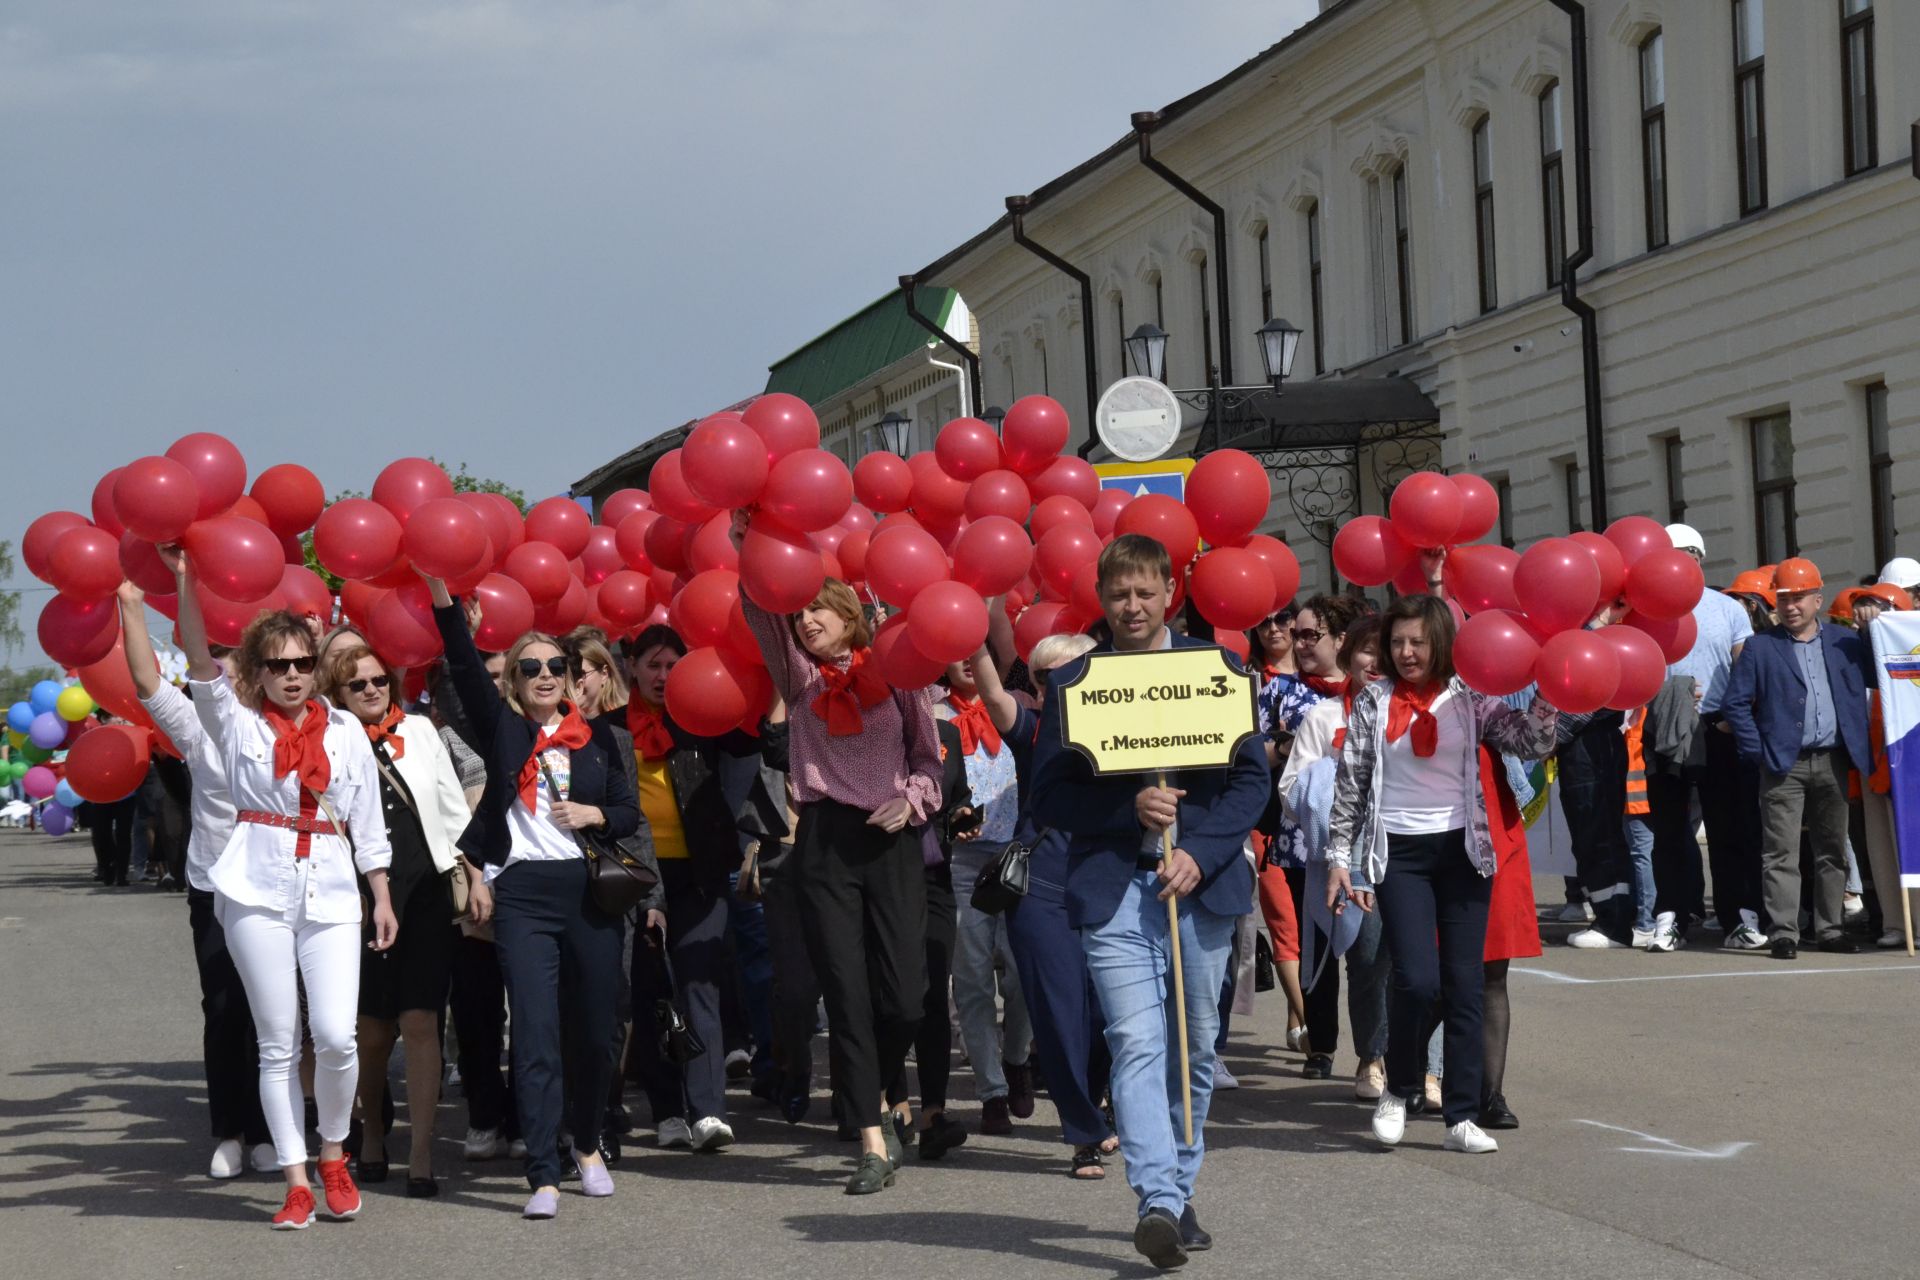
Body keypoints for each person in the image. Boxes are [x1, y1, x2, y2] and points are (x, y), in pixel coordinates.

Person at [1031, 534, 1269, 1269]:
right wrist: (1126, 807)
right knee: (1136, 1042)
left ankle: (1179, 1181)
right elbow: (1050, 794)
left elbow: (1251, 783)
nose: (1132, 606)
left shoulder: (1218, 672)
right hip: (1115, 892)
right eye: (1118, 594)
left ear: (1169, 589)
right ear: (1101, 600)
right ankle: (1157, 1200)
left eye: (1144, 592)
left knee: (1193, 1048)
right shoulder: (1076, 682)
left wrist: (1201, 851)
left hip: (1198, 889)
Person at [170, 546, 397, 1231]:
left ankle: (334, 1153)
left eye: (303, 664)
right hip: (253, 889)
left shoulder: (349, 731)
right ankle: (297, 1179)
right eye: (279, 666)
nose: (293, 676)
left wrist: (381, 894)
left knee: (335, 1035)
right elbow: (197, 660)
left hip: (330, 887)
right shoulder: (234, 725)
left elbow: (367, 819)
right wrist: (185, 583)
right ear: (260, 671)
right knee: (278, 1041)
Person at [426, 573, 643, 1219]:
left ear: (572, 676)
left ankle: (588, 1144)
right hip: (523, 894)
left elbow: (630, 812)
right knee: (537, 1034)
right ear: (514, 683)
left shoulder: (601, 739)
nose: (544, 675)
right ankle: (543, 1169)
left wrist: (595, 816)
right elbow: (464, 665)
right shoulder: (504, 731)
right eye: (529, 668)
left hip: (590, 895)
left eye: (555, 665)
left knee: (597, 1031)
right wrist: (444, 596)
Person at [1325, 594, 1557, 1157]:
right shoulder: (1373, 702)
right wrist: (1339, 858)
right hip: (1400, 856)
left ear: (1441, 644)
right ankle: (1399, 1090)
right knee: (1415, 979)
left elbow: (1531, 741)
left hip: (1465, 852)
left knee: (1465, 985)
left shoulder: (1471, 698)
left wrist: (1552, 689)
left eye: (1418, 642)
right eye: (1398, 642)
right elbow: (1352, 785)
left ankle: (1460, 1115)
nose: (1406, 653)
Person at [740, 576, 941, 1196]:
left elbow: (929, 759)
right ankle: (872, 1140)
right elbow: (763, 611)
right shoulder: (800, 679)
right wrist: (753, 549)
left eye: (816, 609)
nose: (804, 620)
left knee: (907, 996)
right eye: (799, 613)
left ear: (850, 614)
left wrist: (910, 802)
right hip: (825, 842)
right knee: (847, 994)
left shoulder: (899, 674)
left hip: (892, 840)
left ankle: (877, 1091)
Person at [116, 582, 274, 1180]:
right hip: (214, 887)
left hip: (278, 886)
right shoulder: (195, 729)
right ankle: (229, 1133)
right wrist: (131, 604)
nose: (229, 675)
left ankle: (269, 1133)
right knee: (225, 1008)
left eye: (239, 665)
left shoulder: (282, 726)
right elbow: (146, 679)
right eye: (221, 665)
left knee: (275, 1013)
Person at [318, 643, 476, 1196]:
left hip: (426, 887)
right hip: (355, 893)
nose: (370, 689)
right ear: (336, 693)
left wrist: (474, 873)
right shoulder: (326, 738)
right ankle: (374, 1136)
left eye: (379, 679)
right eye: (357, 683)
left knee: (422, 1021)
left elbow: (453, 808)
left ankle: (424, 1150)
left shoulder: (422, 730)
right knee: (372, 1028)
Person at [974, 629, 1118, 1179]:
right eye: (1041, 678)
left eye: (1068, 674)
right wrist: (971, 627)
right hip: (1043, 890)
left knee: (1109, 1014)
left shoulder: (1131, 728)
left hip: (1114, 884)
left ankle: (1100, 1097)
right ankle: (1083, 1132)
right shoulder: (1033, 732)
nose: (1054, 686)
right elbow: (991, 695)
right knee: (1059, 1018)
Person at [619, 624, 757, 1155]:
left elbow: (756, 740)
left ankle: (708, 1111)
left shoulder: (704, 720)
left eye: (673, 665)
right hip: (636, 879)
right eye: (652, 664)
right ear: (631, 667)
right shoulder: (608, 729)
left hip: (699, 873)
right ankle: (668, 1110)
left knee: (700, 982)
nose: (662, 675)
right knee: (651, 991)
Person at [1722, 558, 1874, 959]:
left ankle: (1830, 929)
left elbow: (1881, 674)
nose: (1791, 606)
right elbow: (1735, 704)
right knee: (1780, 852)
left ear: (1818, 600)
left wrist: (1872, 628)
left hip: (1834, 760)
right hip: (1782, 764)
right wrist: (1757, 751)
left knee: (1832, 850)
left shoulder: (1846, 645)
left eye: (1800, 598)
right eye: (1784, 598)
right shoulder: (1760, 647)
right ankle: (1784, 932)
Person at [1277, 615, 1390, 1102]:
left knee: (1391, 961)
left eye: (1386, 653)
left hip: (1401, 854)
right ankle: (1350, 1053)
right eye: (1368, 651)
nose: (1378, 662)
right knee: (1351, 954)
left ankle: (1392, 1059)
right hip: (1340, 858)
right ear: (1349, 656)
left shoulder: (1407, 712)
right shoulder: (1323, 717)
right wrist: (1333, 781)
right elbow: (1289, 788)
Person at [1266, 594, 1366, 1078]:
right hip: (1304, 842)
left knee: (1368, 952)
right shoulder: (1283, 692)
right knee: (1317, 946)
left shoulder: (1372, 690)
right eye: (1297, 633)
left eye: (1311, 634)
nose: (1299, 642)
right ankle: (1320, 1045)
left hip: (1368, 848)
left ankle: (1374, 1049)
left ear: (1342, 640)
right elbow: (1260, 758)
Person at [936, 651, 1035, 1136]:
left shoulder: (1015, 706)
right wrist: (951, 818)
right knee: (972, 981)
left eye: (979, 653)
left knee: (1022, 975)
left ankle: (1017, 1058)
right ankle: (991, 1091)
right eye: (959, 655)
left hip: (1019, 858)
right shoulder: (932, 714)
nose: (970, 663)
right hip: (963, 863)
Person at [1246, 608, 1310, 1059]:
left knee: (1315, 928)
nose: (1273, 628)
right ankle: (1311, 1031)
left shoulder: (1324, 682)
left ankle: (1297, 1012)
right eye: (1263, 621)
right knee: (1285, 922)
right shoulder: (1247, 681)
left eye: (1283, 618)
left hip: (1317, 818)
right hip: (1265, 817)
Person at [1851, 584, 1918, 947]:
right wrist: (1865, 631)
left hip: (1911, 753)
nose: (1869, 612)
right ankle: (1896, 923)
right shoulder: (1860, 644)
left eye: (1878, 606)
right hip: (1876, 754)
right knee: (1881, 843)